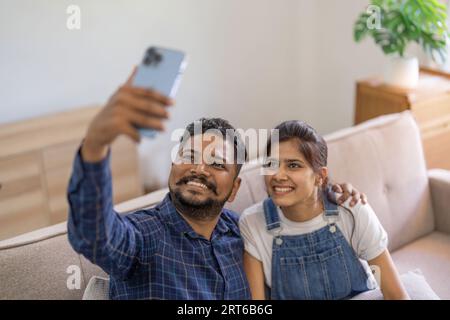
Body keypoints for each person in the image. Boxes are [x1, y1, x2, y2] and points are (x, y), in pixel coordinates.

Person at [67, 69, 364, 299]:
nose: (198, 168)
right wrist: (96, 144)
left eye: (216, 163)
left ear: (234, 189)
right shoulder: (141, 237)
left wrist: (326, 195)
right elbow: (93, 235)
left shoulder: (246, 233)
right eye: (189, 156)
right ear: (173, 168)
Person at [240, 120, 409, 300]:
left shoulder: (351, 209)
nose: (278, 175)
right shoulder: (253, 223)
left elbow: (394, 294)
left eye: (293, 165)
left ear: (320, 177)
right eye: (271, 164)